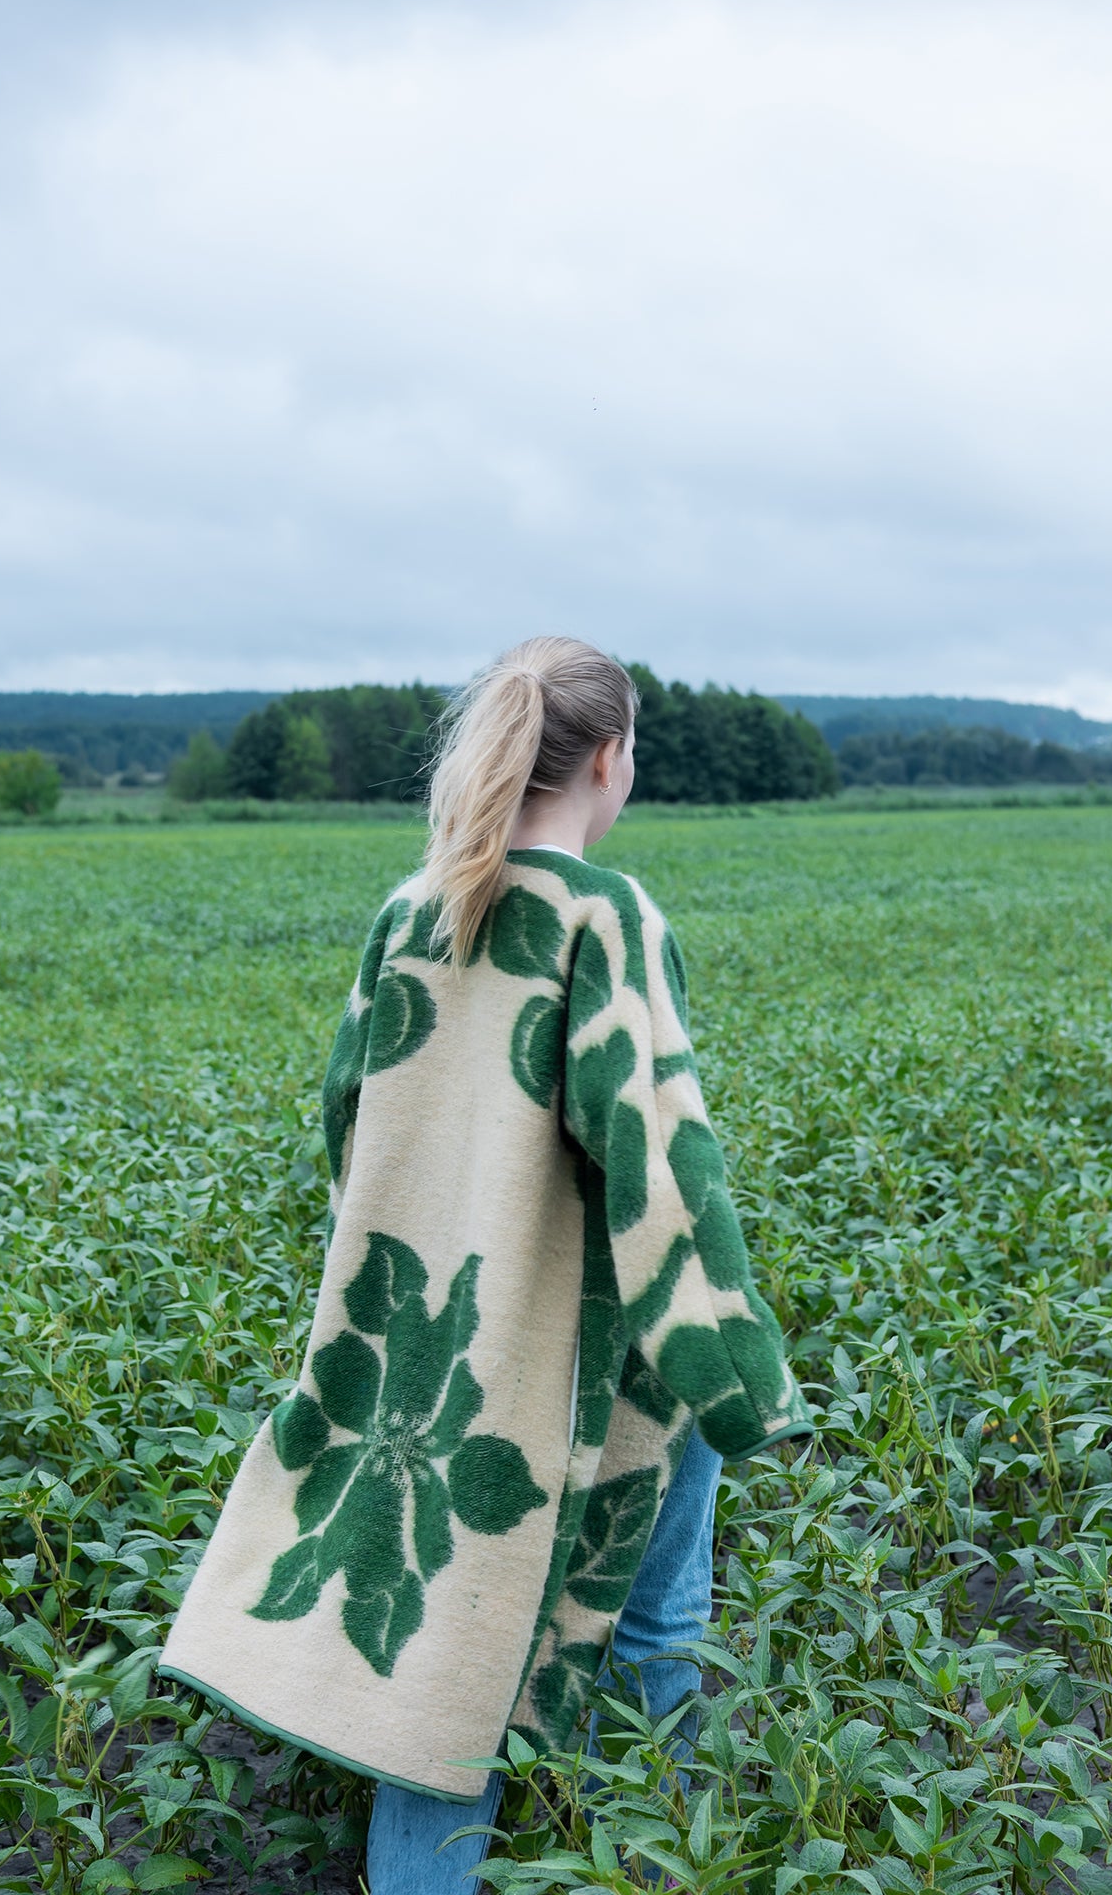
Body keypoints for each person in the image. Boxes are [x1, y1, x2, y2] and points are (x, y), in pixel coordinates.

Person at [159, 636, 813, 1892]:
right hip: (605, 1358)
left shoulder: (410, 910)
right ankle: (649, 1863)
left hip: (437, 1344)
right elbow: (662, 1163)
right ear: (610, 759)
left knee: (441, 1665)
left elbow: (352, 1125)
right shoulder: (606, 916)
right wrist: (740, 1378)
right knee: (657, 1620)